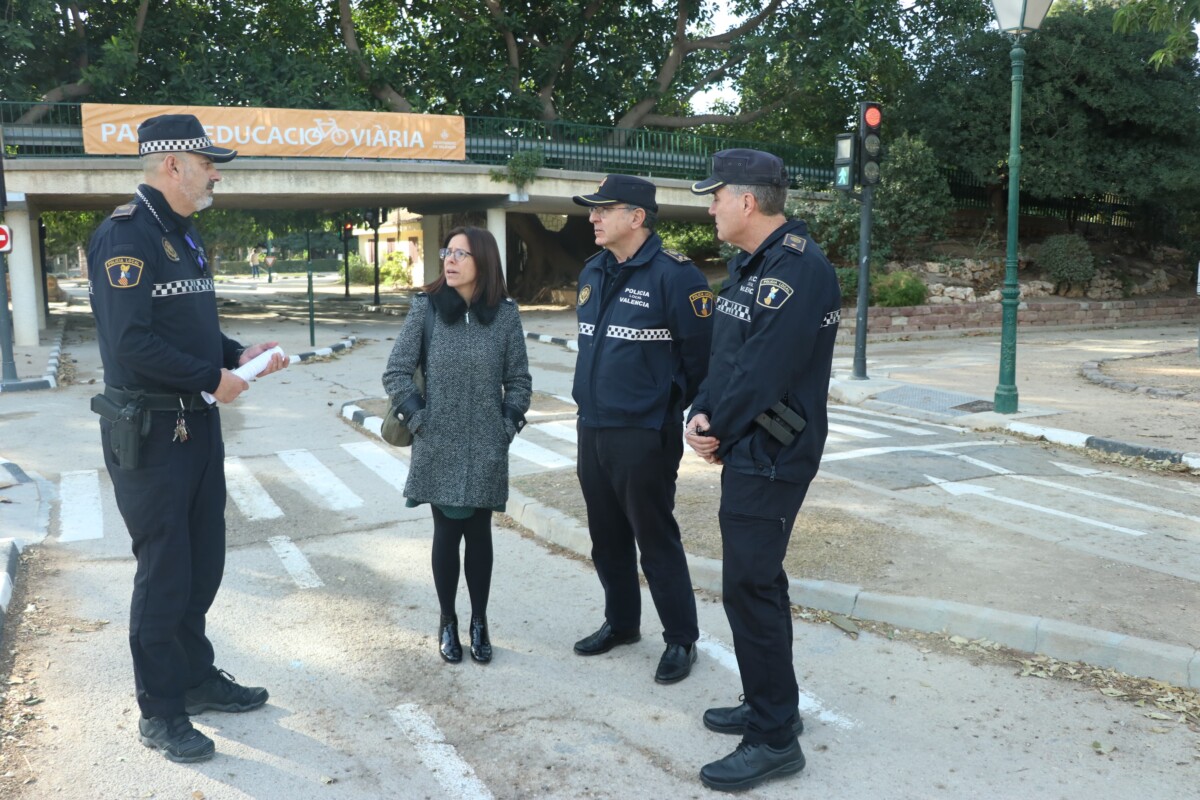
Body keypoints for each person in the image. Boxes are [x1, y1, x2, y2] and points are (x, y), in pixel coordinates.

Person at [87, 114, 288, 763]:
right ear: (172, 164)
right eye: (207, 164)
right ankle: (161, 711)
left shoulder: (184, 234)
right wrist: (210, 377)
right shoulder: (126, 236)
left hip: (196, 423)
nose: (214, 175)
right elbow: (130, 342)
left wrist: (236, 355)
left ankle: (195, 678)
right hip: (151, 432)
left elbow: (189, 328)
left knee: (203, 563)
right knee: (166, 572)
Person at [683, 149, 841, 792]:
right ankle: (772, 704)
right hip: (748, 445)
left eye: (715, 196)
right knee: (758, 584)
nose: (710, 208)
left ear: (747, 201)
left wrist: (716, 428)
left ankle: (774, 739)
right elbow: (727, 357)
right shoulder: (753, 265)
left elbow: (764, 370)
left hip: (774, 452)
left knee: (749, 587)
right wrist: (702, 410)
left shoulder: (799, 270)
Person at [569, 175, 714, 684]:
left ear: (636, 217)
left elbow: (703, 359)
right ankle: (622, 623)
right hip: (593, 426)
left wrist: (673, 405)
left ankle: (681, 639)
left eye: (603, 209)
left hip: (644, 432)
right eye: (592, 210)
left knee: (654, 540)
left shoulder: (677, 276)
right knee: (606, 538)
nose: (593, 217)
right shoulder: (593, 269)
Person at [382, 226, 531, 665]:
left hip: (487, 445)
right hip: (437, 443)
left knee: (480, 535)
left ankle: (479, 622)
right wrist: (420, 420)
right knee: (446, 534)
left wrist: (505, 427)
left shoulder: (505, 315)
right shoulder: (425, 308)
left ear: (483, 262)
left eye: (461, 254)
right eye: (448, 252)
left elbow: (519, 380)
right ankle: (447, 620)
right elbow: (396, 372)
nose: (449, 259)